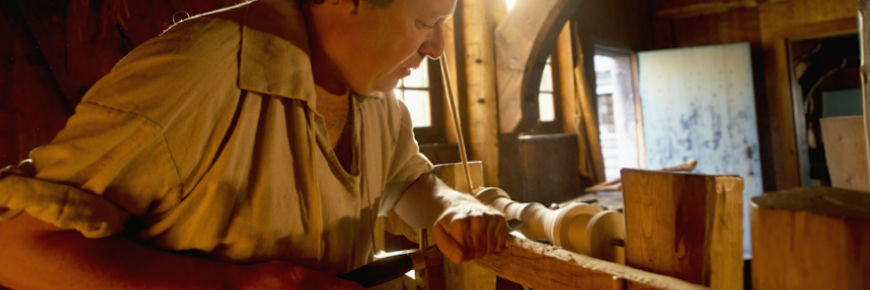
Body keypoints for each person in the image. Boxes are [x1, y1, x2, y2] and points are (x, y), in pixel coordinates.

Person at [0, 0, 508, 288]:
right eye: (425, 21)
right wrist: (243, 287)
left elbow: (410, 182)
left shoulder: (375, 96)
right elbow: (17, 248)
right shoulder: (199, 70)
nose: (438, 48)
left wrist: (450, 208)